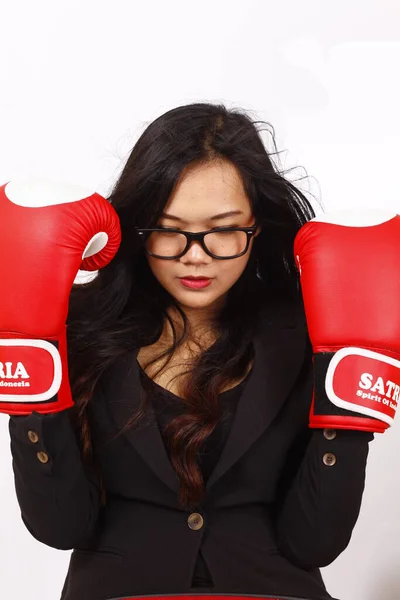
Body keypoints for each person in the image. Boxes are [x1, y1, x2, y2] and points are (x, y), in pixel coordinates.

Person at [4, 102, 375, 600]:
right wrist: (29, 386)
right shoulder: (73, 325)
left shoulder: (311, 331)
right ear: (138, 228)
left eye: (223, 229)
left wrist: (351, 406)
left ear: (256, 227)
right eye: (168, 228)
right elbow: (60, 527)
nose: (194, 255)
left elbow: (314, 543)